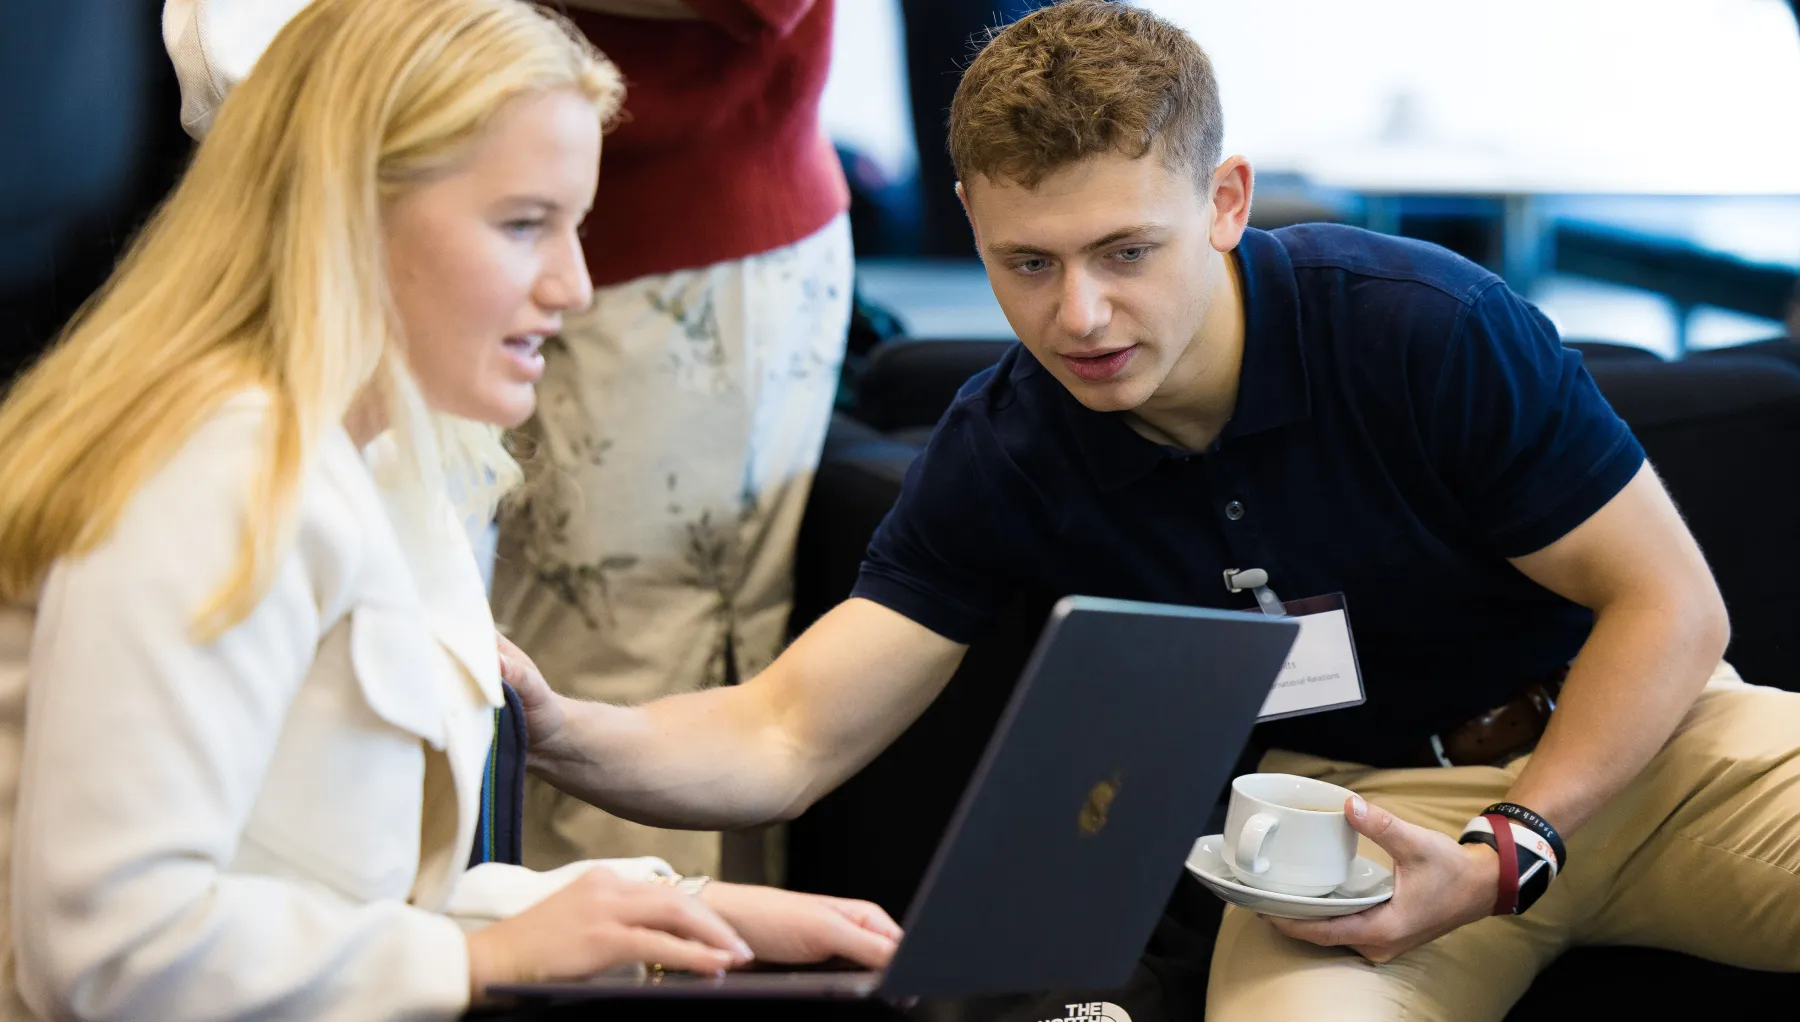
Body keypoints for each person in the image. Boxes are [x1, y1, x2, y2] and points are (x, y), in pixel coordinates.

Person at [500, 2, 1800, 1019]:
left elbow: (1671, 604)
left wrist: (1514, 843)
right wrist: (554, 730)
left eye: (1128, 252)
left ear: (1225, 202)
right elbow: (785, 730)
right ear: (971, 228)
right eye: (1029, 264)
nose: (1080, 317)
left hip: (1648, 751)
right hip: (1335, 826)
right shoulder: (1008, 446)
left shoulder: (1419, 326)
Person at [0, 1, 896, 1018]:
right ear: (348, 210)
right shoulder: (217, 470)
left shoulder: (404, 468)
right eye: (524, 225)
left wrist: (661, 905)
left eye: (576, 224)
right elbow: (112, 947)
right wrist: (478, 960)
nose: (574, 284)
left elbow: (352, 898)